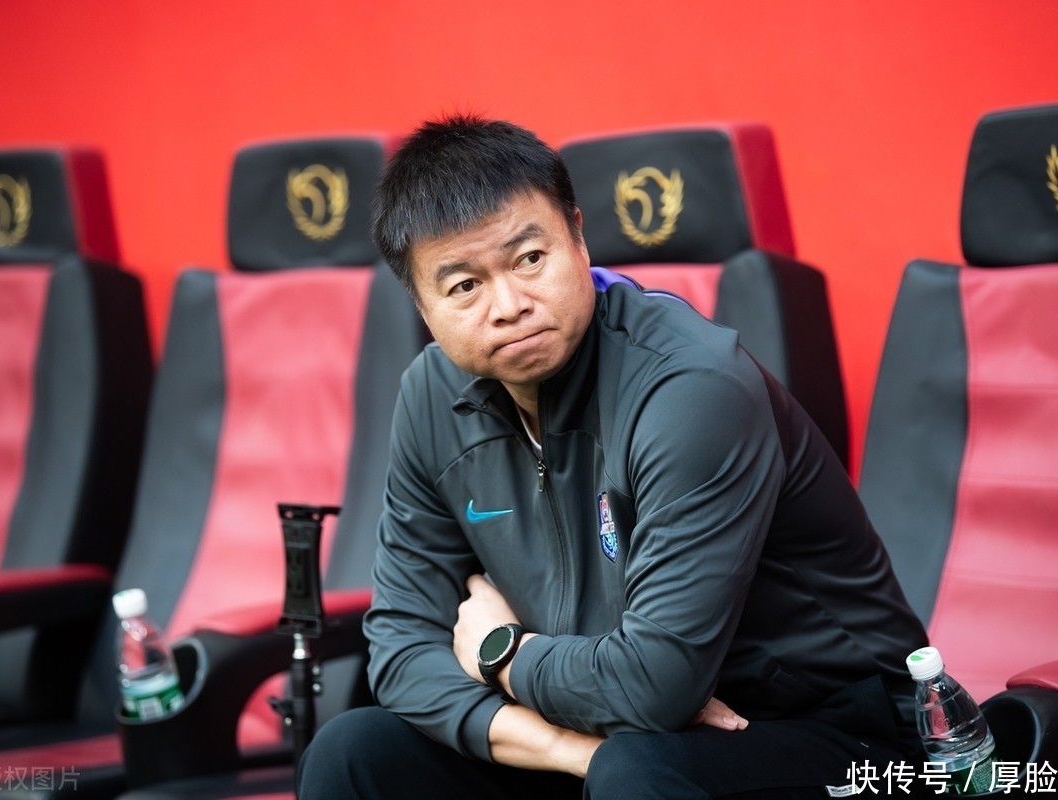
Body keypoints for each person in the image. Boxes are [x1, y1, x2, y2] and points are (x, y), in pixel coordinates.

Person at [297, 115, 929, 799]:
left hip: (824, 735)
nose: (508, 305)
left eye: (528, 259)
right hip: (596, 729)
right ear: (421, 304)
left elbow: (655, 683)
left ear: (577, 235)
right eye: (464, 286)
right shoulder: (430, 397)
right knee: (355, 753)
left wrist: (501, 652)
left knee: (634, 771)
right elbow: (401, 650)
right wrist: (566, 751)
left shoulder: (691, 388)